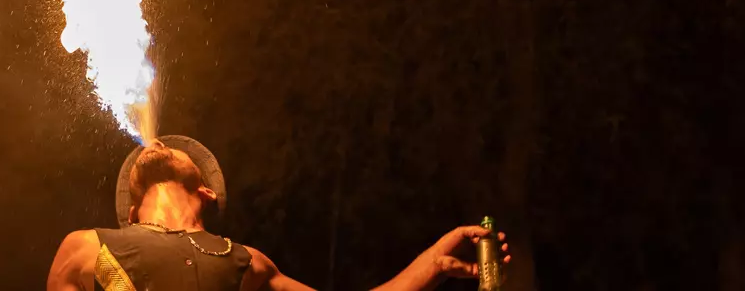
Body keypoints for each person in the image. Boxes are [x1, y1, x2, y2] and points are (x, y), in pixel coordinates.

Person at [48, 136, 510, 291]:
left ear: (206, 190)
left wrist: (433, 261)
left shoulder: (248, 263)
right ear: (129, 212)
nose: (160, 142)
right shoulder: (87, 248)